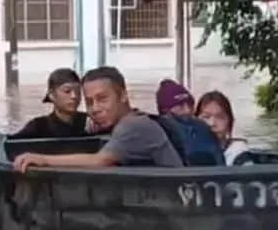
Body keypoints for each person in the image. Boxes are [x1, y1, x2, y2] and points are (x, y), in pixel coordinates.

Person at [13, 66, 183, 172]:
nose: (94, 109)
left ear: (123, 96)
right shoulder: (128, 122)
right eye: (88, 102)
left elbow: (99, 161)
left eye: (102, 99)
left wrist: (43, 160)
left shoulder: (134, 125)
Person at [8, 68, 90, 139]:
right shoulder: (38, 127)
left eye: (77, 91)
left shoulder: (89, 122)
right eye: (67, 91)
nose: (74, 96)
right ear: (52, 95)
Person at [195, 90, 252, 165]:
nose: (212, 123)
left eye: (220, 117)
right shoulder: (185, 149)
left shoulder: (237, 152)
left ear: (229, 122)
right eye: (206, 117)